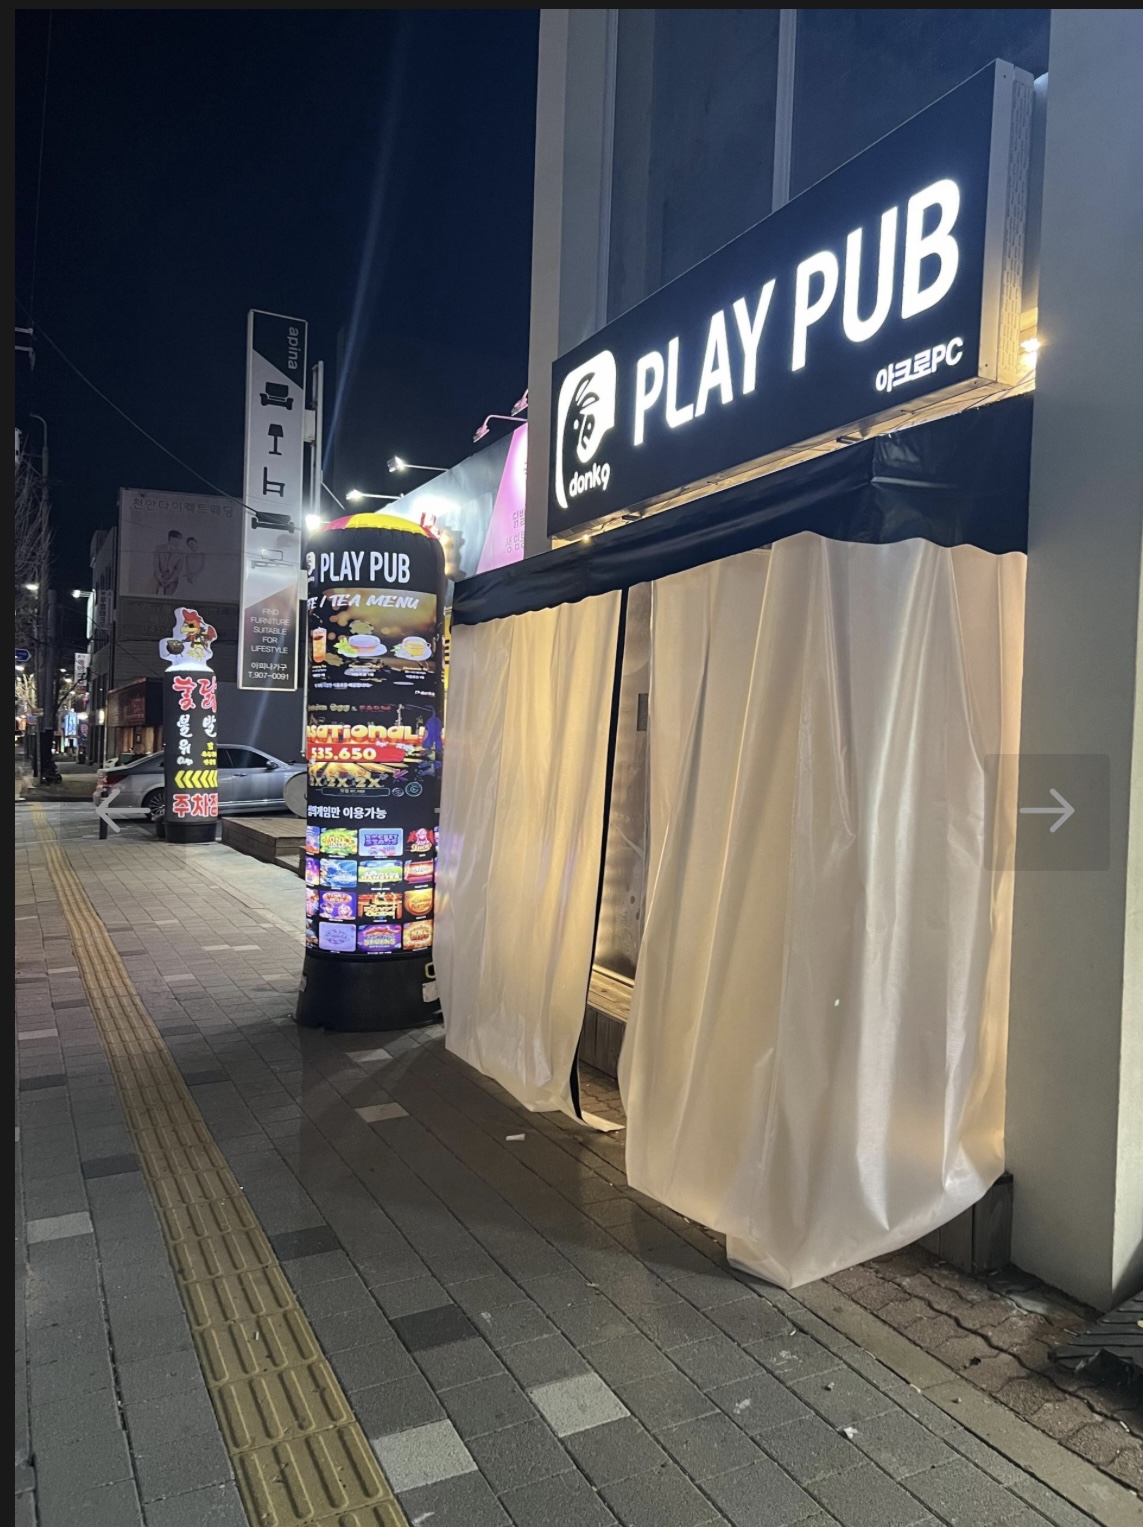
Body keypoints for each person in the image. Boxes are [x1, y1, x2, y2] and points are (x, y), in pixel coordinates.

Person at [153, 530, 185, 595]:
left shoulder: (181, 553)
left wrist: (170, 580)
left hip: (172, 578)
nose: (180, 541)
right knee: (152, 591)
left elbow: (178, 569)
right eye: (178, 539)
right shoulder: (159, 548)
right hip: (158, 576)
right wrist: (160, 578)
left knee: (169, 596)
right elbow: (156, 565)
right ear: (171, 538)